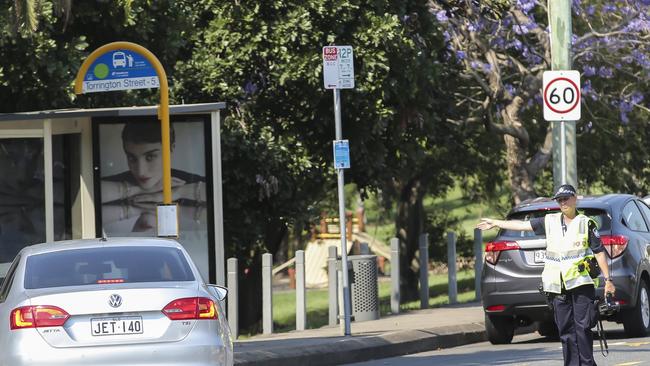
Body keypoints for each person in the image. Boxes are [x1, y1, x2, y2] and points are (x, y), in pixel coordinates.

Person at [477, 184, 615, 366]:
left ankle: (587, 364)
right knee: (565, 330)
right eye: (560, 200)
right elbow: (522, 226)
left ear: (575, 199)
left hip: (581, 284)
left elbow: (599, 251)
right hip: (557, 286)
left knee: (583, 328)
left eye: (566, 198)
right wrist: (496, 223)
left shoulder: (585, 223)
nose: (563, 203)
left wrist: (608, 280)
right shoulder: (550, 221)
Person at [101, 121, 207, 232]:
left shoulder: (187, 181)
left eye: (150, 157)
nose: (141, 171)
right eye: (132, 158)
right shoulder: (112, 184)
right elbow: (89, 197)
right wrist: (139, 190)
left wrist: (178, 192)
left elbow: (217, 199)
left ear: (171, 149)